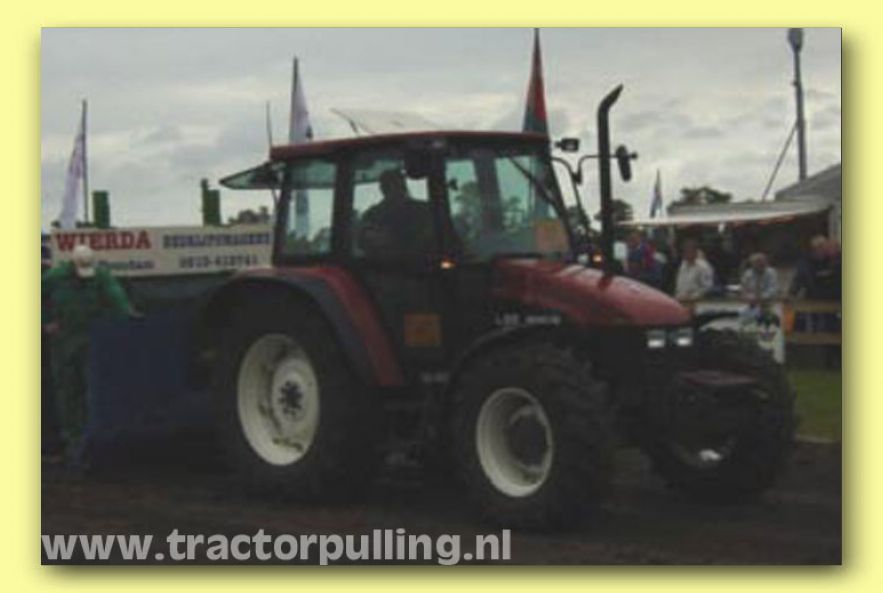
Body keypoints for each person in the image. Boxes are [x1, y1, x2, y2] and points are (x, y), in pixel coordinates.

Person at [42, 244, 133, 468]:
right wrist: (45, 321)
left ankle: (89, 442)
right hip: (63, 341)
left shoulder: (101, 277)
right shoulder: (54, 278)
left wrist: (129, 316)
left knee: (90, 390)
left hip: (90, 340)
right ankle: (73, 444)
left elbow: (116, 298)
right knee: (68, 393)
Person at [357, 169, 434, 257]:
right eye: (388, 186)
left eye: (396, 184)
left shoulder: (424, 210)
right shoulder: (372, 214)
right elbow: (363, 241)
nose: (394, 189)